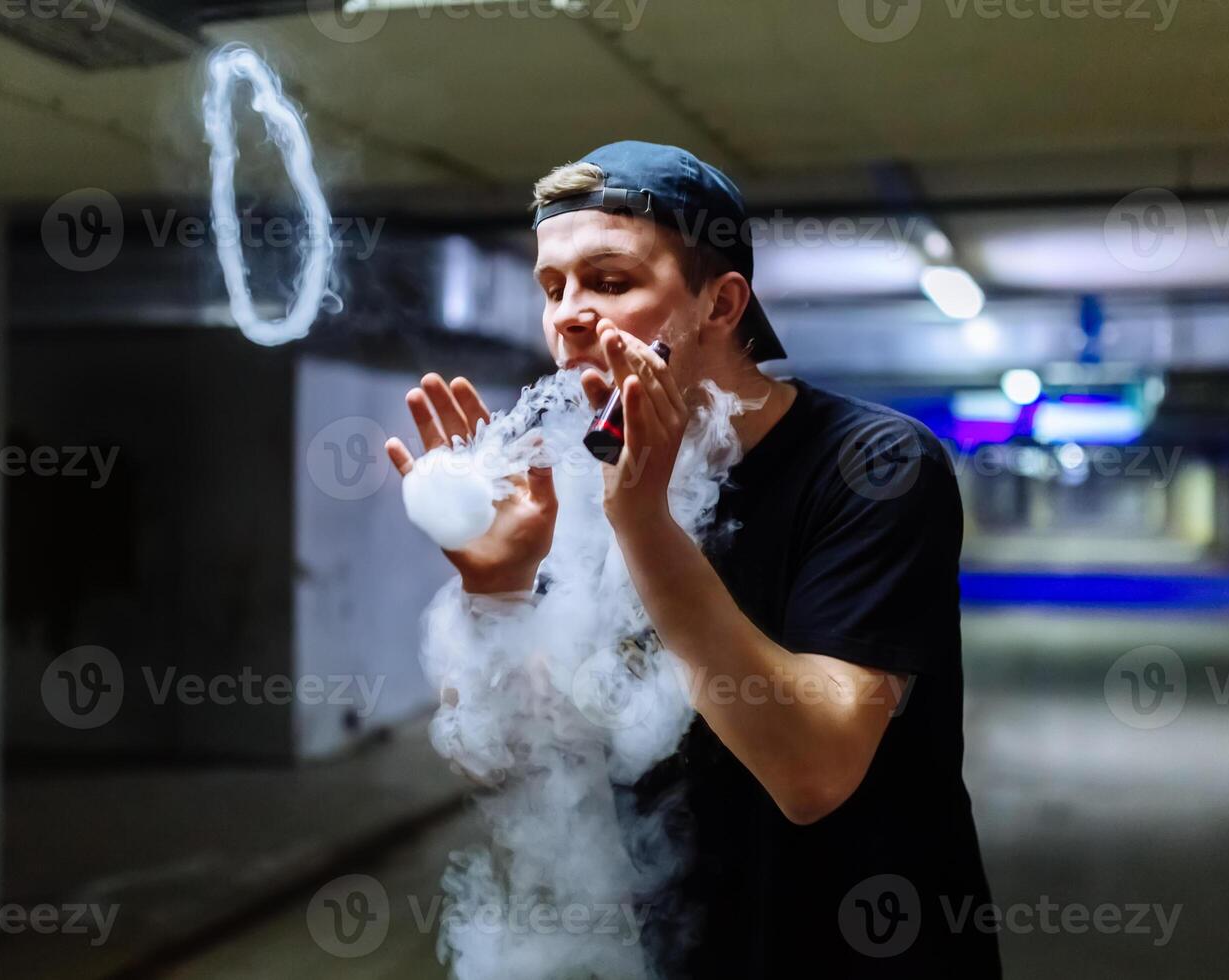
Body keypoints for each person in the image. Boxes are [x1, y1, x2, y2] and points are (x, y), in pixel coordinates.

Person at [384, 141, 1000, 977]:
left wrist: (644, 525)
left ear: (720, 304)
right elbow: (522, 755)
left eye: (609, 281)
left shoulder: (876, 466)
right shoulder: (580, 484)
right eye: (552, 287)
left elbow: (813, 771)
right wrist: (494, 589)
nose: (566, 315)